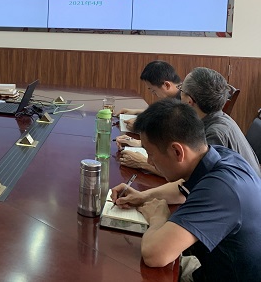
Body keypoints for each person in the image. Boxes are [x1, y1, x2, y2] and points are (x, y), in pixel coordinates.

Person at [111, 98, 261, 281]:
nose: (149, 161)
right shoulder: (222, 155)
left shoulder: (220, 191)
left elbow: (155, 255)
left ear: (177, 152)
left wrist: (158, 218)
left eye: (150, 154)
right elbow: (180, 188)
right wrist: (143, 196)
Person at [118, 67, 260, 177]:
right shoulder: (209, 119)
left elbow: (194, 177)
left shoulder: (215, 133)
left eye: (181, 90)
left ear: (189, 101)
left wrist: (143, 163)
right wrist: (140, 144)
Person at [118, 60, 181, 131]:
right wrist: (137, 111)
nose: (153, 94)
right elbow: (164, 113)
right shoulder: (177, 92)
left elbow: (172, 127)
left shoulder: (185, 99)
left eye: (153, 90)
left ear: (166, 85)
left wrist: (140, 126)